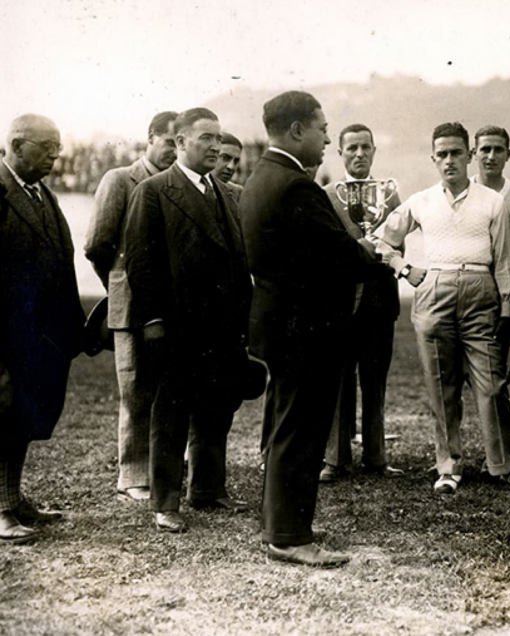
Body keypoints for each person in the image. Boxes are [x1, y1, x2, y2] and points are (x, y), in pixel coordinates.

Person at [242, 91, 384, 567]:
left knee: (289, 427)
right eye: (323, 129)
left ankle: (284, 524)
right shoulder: (295, 187)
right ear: (297, 129)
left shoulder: (262, 177)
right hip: (305, 331)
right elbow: (339, 255)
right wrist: (373, 254)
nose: (327, 138)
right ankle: (289, 535)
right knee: (300, 432)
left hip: (284, 327)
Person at [372, 122, 510, 494]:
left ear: (469, 156)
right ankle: (448, 466)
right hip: (434, 292)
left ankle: (504, 465)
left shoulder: (491, 201)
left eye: (456, 153)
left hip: (481, 292)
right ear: (433, 159)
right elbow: (382, 240)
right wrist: (405, 269)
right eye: (442, 154)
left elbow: (503, 262)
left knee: (491, 385)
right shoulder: (421, 201)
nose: (449, 161)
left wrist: (506, 308)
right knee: (441, 385)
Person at [122, 108, 253, 534]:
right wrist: (153, 322)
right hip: (178, 328)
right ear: (180, 142)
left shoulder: (224, 193)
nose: (216, 146)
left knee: (216, 409)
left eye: (218, 137)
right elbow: (141, 264)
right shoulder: (154, 191)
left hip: (222, 328)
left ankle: (208, 489)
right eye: (206, 138)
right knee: (171, 416)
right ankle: (165, 502)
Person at [85, 110, 177, 502]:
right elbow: (97, 244)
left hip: (169, 306)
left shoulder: (175, 184)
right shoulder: (120, 179)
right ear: (150, 137)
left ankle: (164, 469)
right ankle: (133, 475)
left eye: (180, 144)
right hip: (131, 306)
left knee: (166, 391)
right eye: (169, 142)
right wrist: (119, 284)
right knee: (136, 389)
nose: (175, 151)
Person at [0, 114, 84, 544]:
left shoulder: (41, 192)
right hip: (6, 337)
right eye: (46, 147)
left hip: (38, 337)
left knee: (22, 419)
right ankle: (1, 510)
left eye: (58, 147)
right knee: (2, 417)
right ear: (16, 145)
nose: (56, 155)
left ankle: (12, 498)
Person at [319, 123, 404, 482]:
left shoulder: (389, 195)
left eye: (365, 147)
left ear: (374, 151)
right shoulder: (327, 195)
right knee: (338, 380)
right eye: (351, 148)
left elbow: (397, 247)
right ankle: (335, 459)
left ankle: (376, 457)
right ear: (340, 153)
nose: (359, 154)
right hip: (339, 302)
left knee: (375, 380)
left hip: (380, 300)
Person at [472, 125, 510, 222]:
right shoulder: (462, 193)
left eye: (498, 150)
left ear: (508, 155)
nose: (491, 157)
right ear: (474, 153)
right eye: (486, 150)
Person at [213, 132, 244, 204]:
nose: (231, 167)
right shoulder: (192, 189)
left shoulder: (237, 193)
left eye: (236, 161)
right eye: (225, 158)